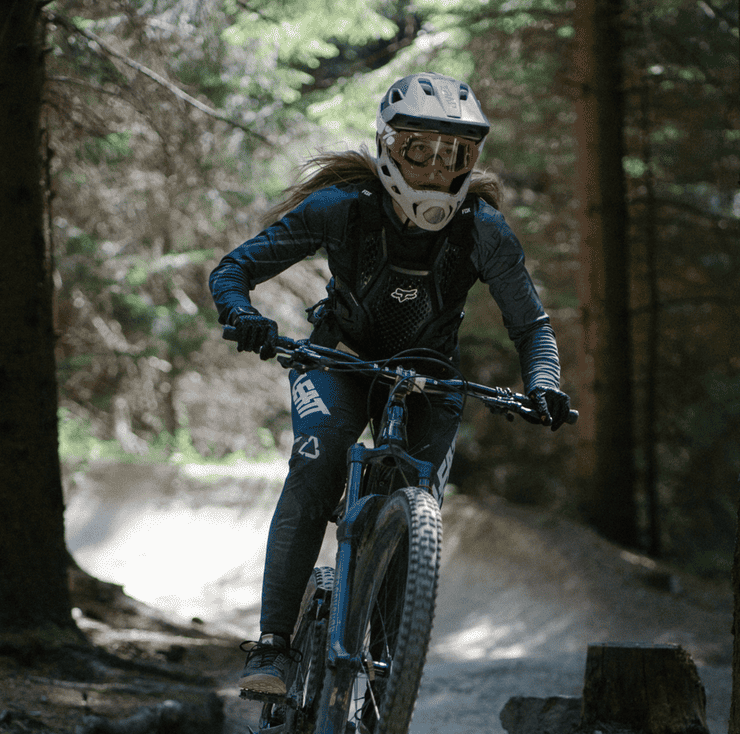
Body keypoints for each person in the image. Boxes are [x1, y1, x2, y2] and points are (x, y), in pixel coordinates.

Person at [209, 71, 571, 698]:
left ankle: (384, 693)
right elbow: (235, 269)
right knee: (316, 465)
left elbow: (531, 325)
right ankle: (272, 647)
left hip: (431, 379)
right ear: (386, 146)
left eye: (455, 153)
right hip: (339, 361)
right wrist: (244, 315)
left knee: (416, 506)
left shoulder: (484, 229)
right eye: (418, 149)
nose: (436, 168)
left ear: (472, 160)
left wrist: (544, 382)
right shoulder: (341, 208)